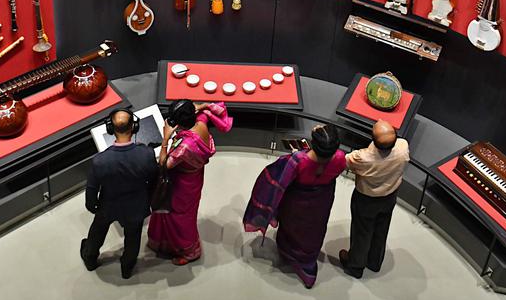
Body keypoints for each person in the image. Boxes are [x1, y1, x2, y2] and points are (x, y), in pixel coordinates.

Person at [244, 124, 346, 288]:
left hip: (296, 202)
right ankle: (307, 264)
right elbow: (335, 171)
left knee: (292, 227)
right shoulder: (341, 157)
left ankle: (287, 252)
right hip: (321, 200)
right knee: (314, 229)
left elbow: (281, 182)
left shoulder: (298, 160)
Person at [147, 100, 233, 266]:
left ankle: (190, 252)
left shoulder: (186, 146)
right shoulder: (201, 123)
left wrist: (165, 139)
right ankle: (167, 242)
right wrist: (199, 107)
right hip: (193, 177)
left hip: (181, 185)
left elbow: (165, 164)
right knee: (185, 213)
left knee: (180, 217)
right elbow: (196, 108)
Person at [80, 108, 158, 279]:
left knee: (97, 231)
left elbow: (92, 189)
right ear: (134, 127)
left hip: (108, 205)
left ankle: (90, 257)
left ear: (110, 128)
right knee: (133, 237)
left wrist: (92, 205)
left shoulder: (100, 161)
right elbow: (153, 180)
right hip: (136, 205)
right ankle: (127, 267)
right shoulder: (146, 154)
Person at [338, 119, 409, 278]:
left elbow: (344, 161)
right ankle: (374, 262)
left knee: (361, 232)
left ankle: (356, 266)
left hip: (366, 199)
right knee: (381, 229)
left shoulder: (363, 157)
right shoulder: (403, 147)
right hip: (389, 196)